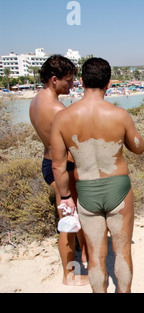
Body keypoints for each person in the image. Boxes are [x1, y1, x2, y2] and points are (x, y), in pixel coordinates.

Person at [50, 57, 144, 293]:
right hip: (119, 189)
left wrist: (65, 197)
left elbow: (58, 166)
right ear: (109, 83)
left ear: (81, 81)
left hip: (87, 191)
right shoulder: (119, 115)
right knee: (122, 251)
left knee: (94, 256)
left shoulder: (62, 118)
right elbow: (138, 147)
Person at [29, 55, 89, 287]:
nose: (71, 85)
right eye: (68, 81)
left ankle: (85, 256)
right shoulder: (56, 108)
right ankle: (69, 275)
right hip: (61, 168)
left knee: (76, 215)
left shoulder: (36, 101)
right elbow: (73, 145)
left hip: (50, 163)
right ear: (54, 80)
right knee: (68, 220)